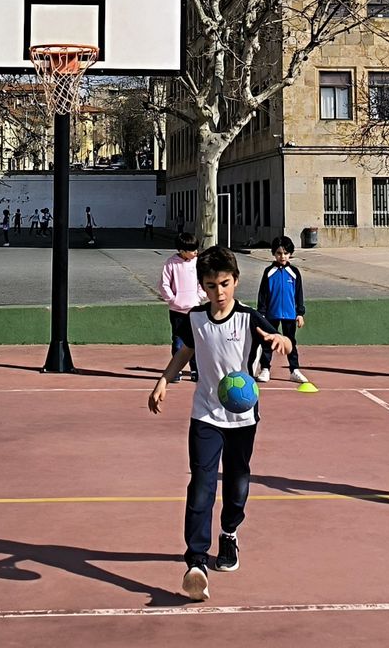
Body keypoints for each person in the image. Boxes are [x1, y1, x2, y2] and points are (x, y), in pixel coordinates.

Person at [148, 245, 292, 603]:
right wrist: (164, 380)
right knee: (201, 483)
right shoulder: (194, 318)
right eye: (211, 286)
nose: (219, 292)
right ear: (202, 287)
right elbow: (185, 351)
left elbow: (281, 338)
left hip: (242, 417)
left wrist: (281, 340)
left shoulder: (249, 318)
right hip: (206, 415)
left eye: (225, 284)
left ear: (236, 282)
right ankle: (196, 560)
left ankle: (229, 532)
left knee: (238, 483)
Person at [254, 235, 308, 384]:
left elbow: (298, 294)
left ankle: (294, 370)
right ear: (274, 254)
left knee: (290, 342)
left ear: (290, 253)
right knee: (268, 343)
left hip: (290, 315)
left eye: (285, 253)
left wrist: (300, 313)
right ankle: (265, 369)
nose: (282, 256)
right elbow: (263, 294)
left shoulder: (294, 272)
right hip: (272, 314)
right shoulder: (269, 272)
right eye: (279, 253)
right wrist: (262, 313)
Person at [158, 232, 202, 382]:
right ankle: (176, 370)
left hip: (194, 308)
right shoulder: (171, 263)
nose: (196, 252)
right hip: (177, 311)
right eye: (192, 250)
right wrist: (172, 299)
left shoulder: (197, 262)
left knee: (196, 341)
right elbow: (164, 284)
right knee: (178, 341)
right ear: (182, 251)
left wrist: (199, 296)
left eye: (196, 249)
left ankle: (196, 369)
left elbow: (201, 281)